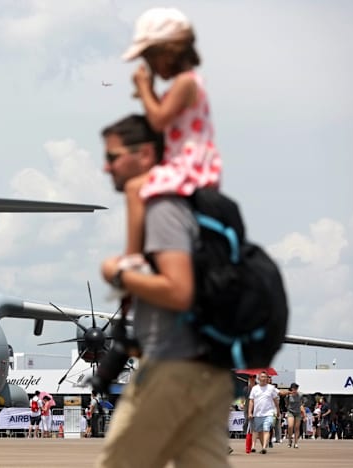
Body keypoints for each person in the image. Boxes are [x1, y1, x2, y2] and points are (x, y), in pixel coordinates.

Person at [96, 113, 233, 467]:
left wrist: (115, 273)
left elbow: (178, 290)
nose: (106, 167)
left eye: (113, 157)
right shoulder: (176, 203)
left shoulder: (164, 209)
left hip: (172, 370)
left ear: (144, 154)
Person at [109, 6, 222, 294]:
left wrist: (145, 88)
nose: (150, 64)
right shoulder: (185, 84)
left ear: (167, 52)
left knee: (135, 187)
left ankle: (133, 258)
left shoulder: (185, 83)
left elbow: (158, 121)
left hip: (188, 163)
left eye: (150, 57)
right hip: (188, 161)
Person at [248, 371, 280, 454]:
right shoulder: (255, 388)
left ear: (267, 378)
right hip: (257, 413)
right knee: (256, 431)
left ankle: (264, 447)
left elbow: (275, 400)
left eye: (265, 377)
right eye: (261, 377)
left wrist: (278, 410)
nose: (263, 378)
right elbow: (251, 401)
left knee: (266, 429)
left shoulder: (271, 388)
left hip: (269, 413)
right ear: (258, 378)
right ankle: (253, 446)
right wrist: (250, 412)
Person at [284, 383, 305, 448]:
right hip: (290, 412)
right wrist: (288, 408)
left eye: (296, 388)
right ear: (291, 388)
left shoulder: (300, 395)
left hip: (298, 412)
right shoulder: (288, 395)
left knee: (297, 427)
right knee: (290, 426)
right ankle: (290, 440)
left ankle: (296, 442)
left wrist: (304, 414)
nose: (295, 390)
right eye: (294, 388)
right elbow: (286, 403)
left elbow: (301, 404)